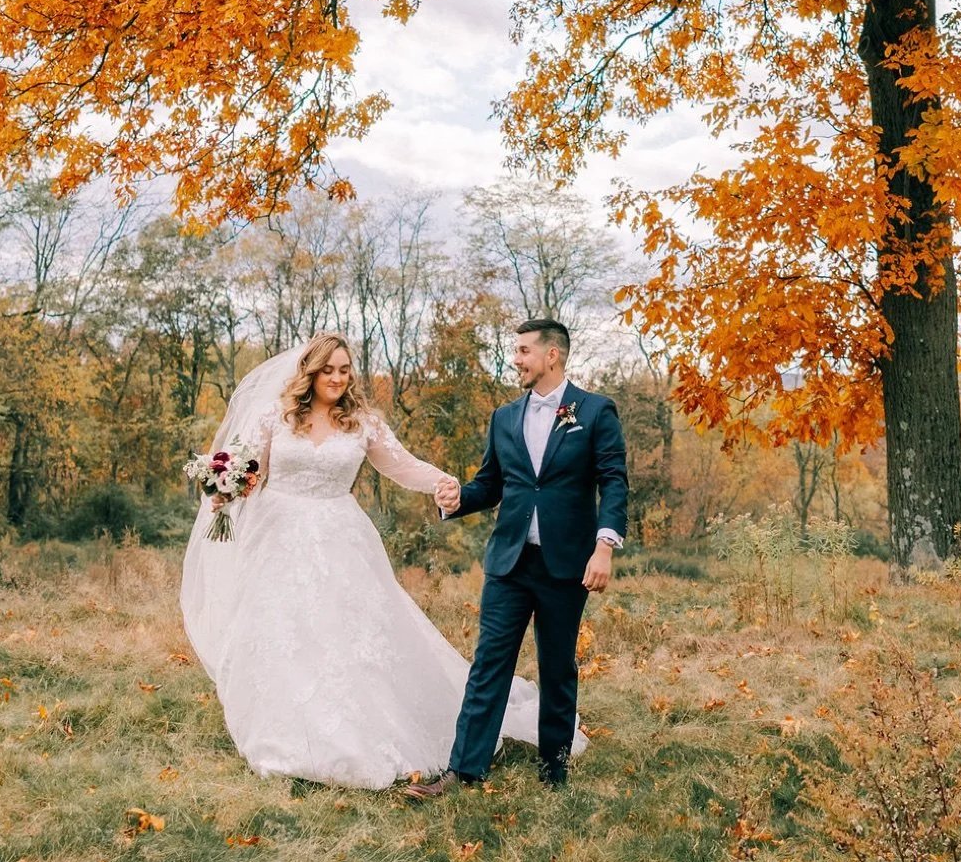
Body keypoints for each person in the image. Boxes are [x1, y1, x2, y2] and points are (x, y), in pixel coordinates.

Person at [181, 330, 552, 788]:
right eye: (328, 370)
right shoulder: (276, 416)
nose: (337, 378)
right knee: (283, 631)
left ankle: (355, 729)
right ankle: (284, 732)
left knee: (345, 632)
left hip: (340, 537)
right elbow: (250, 469)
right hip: (277, 536)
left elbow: (401, 464)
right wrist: (226, 488)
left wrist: (445, 481)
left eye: (344, 369)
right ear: (310, 373)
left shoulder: (362, 422)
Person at [407, 317, 628, 798]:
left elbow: (613, 480)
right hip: (509, 563)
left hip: (566, 563)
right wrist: (457, 500)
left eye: (525, 351)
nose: (516, 359)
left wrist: (604, 546)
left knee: (557, 666)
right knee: (488, 665)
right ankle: (463, 771)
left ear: (552, 355)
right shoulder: (504, 417)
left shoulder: (594, 411)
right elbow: (491, 484)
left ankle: (555, 771)